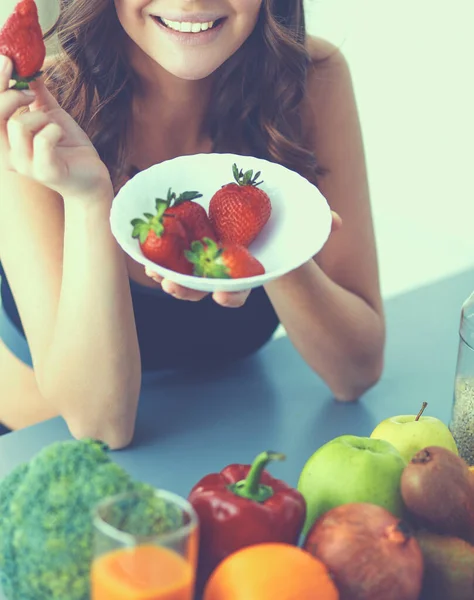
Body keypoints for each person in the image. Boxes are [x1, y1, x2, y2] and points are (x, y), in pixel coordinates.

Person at [0, 0, 385, 447]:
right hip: (40, 458)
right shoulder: (32, 116)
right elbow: (102, 426)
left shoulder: (312, 80)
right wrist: (88, 201)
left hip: (227, 444)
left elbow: (356, 374)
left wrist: (275, 246)